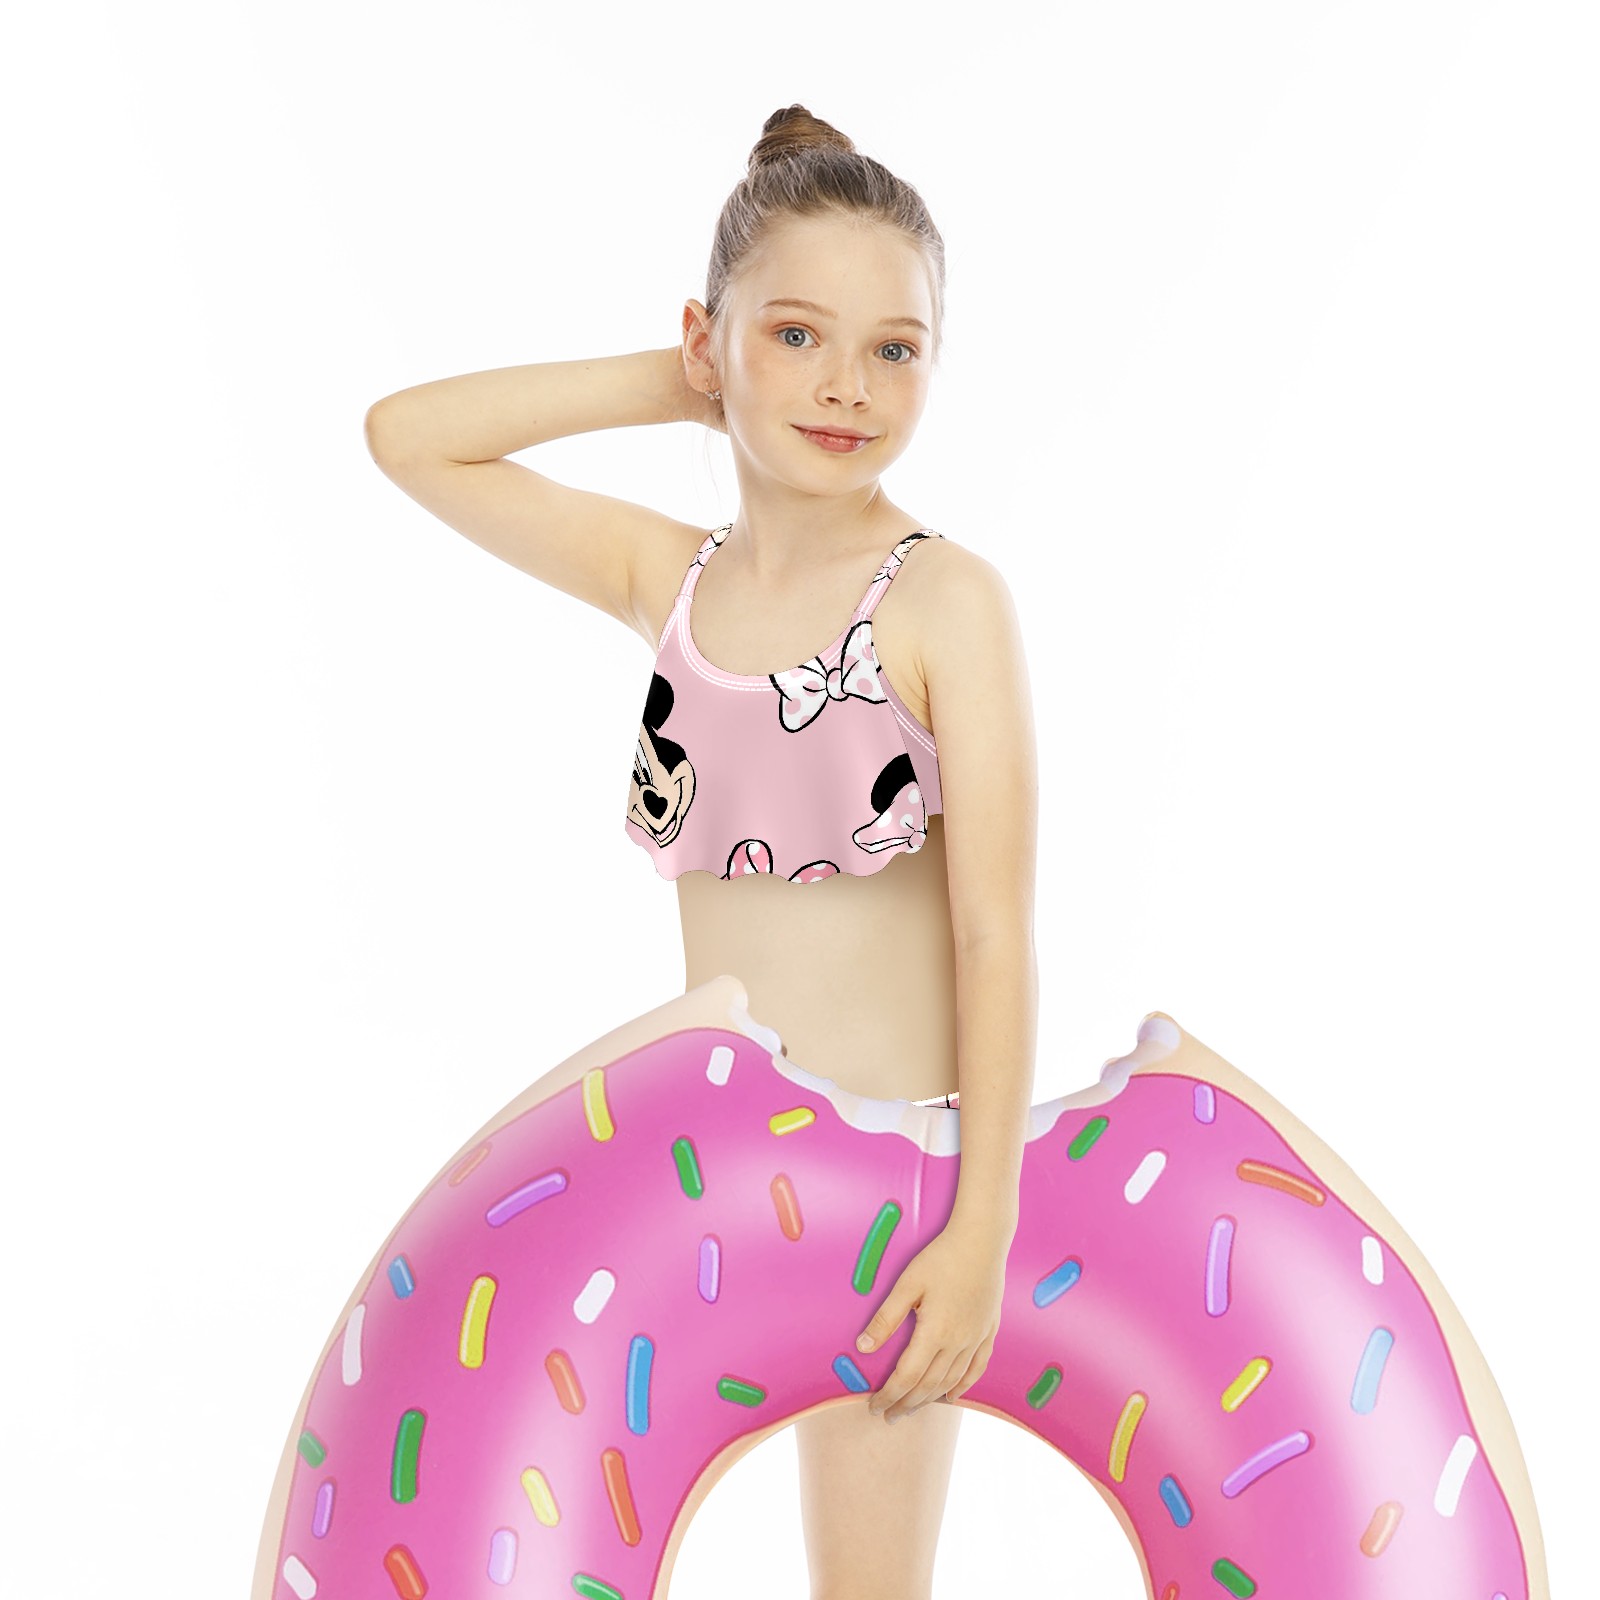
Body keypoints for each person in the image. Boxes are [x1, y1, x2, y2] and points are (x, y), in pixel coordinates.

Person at [356, 104, 1039, 1600]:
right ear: (711, 341)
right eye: (796, 336)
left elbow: (994, 930)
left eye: (897, 349)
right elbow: (410, 436)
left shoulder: (945, 603)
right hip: (704, 1162)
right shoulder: (666, 578)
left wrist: (982, 1222)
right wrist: (682, 382)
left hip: (893, 1180)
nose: (848, 386)